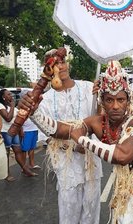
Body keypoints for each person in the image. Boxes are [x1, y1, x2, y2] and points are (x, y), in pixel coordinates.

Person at [19, 60, 133, 224]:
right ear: (102, 100)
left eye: (120, 99)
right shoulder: (98, 122)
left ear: (128, 99)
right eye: (109, 100)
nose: (115, 106)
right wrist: (35, 113)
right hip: (130, 186)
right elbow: (62, 130)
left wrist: (82, 139)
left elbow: (122, 155)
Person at [28, 48, 102, 224]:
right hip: (66, 167)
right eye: (54, 64)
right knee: (69, 212)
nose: (60, 67)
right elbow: (47, 136)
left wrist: (101, 98)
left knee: (91, 212)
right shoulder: (44, 100)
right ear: (47, 70)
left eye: (62, 62)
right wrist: (73, 146)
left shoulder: (88, 87)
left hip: (91, 161)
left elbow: (100, 118)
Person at [0, 89, 36, 179]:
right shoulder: (0, 105)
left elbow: (16, 119)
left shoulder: (9, 105)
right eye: (8, 94)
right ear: (3, 97)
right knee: (6, 154)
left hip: (15, 132)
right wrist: (13, 106)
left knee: (18, 151)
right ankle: (7, 174)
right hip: (5, 132)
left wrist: (21, 130)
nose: (11, 95)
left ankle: (25, 170)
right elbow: (8, 118)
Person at [19, 90, 41, 170]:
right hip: (26, 131)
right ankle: (24, 167)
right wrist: (21, 130)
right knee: (24, 149)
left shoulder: (33, 105)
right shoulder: (21, 106)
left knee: (32, 148)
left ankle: (32, 164)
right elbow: (19, 120)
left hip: (34, 129)